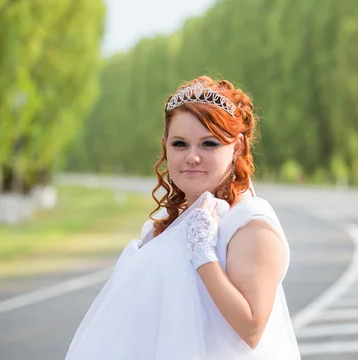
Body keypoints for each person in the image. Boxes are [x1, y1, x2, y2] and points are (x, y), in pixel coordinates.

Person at [65, 76, 301, 359]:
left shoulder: (251, 224)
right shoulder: (167, 223)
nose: (192, 157)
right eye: (180, 144)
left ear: (236, 147)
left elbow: (251, 329)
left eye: (209, 144)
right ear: (165, 146)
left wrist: (203, 254)